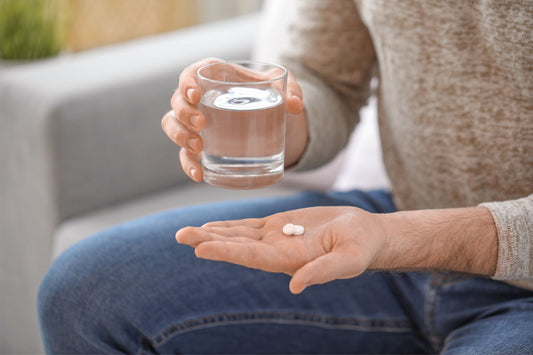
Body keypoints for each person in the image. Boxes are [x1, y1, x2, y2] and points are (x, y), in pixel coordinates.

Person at [38, 0, 532, 353]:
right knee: (84, 293)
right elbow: (325, 77)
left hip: (491, 271)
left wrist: (395, 238)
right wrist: (281, 123)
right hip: (398, 233)